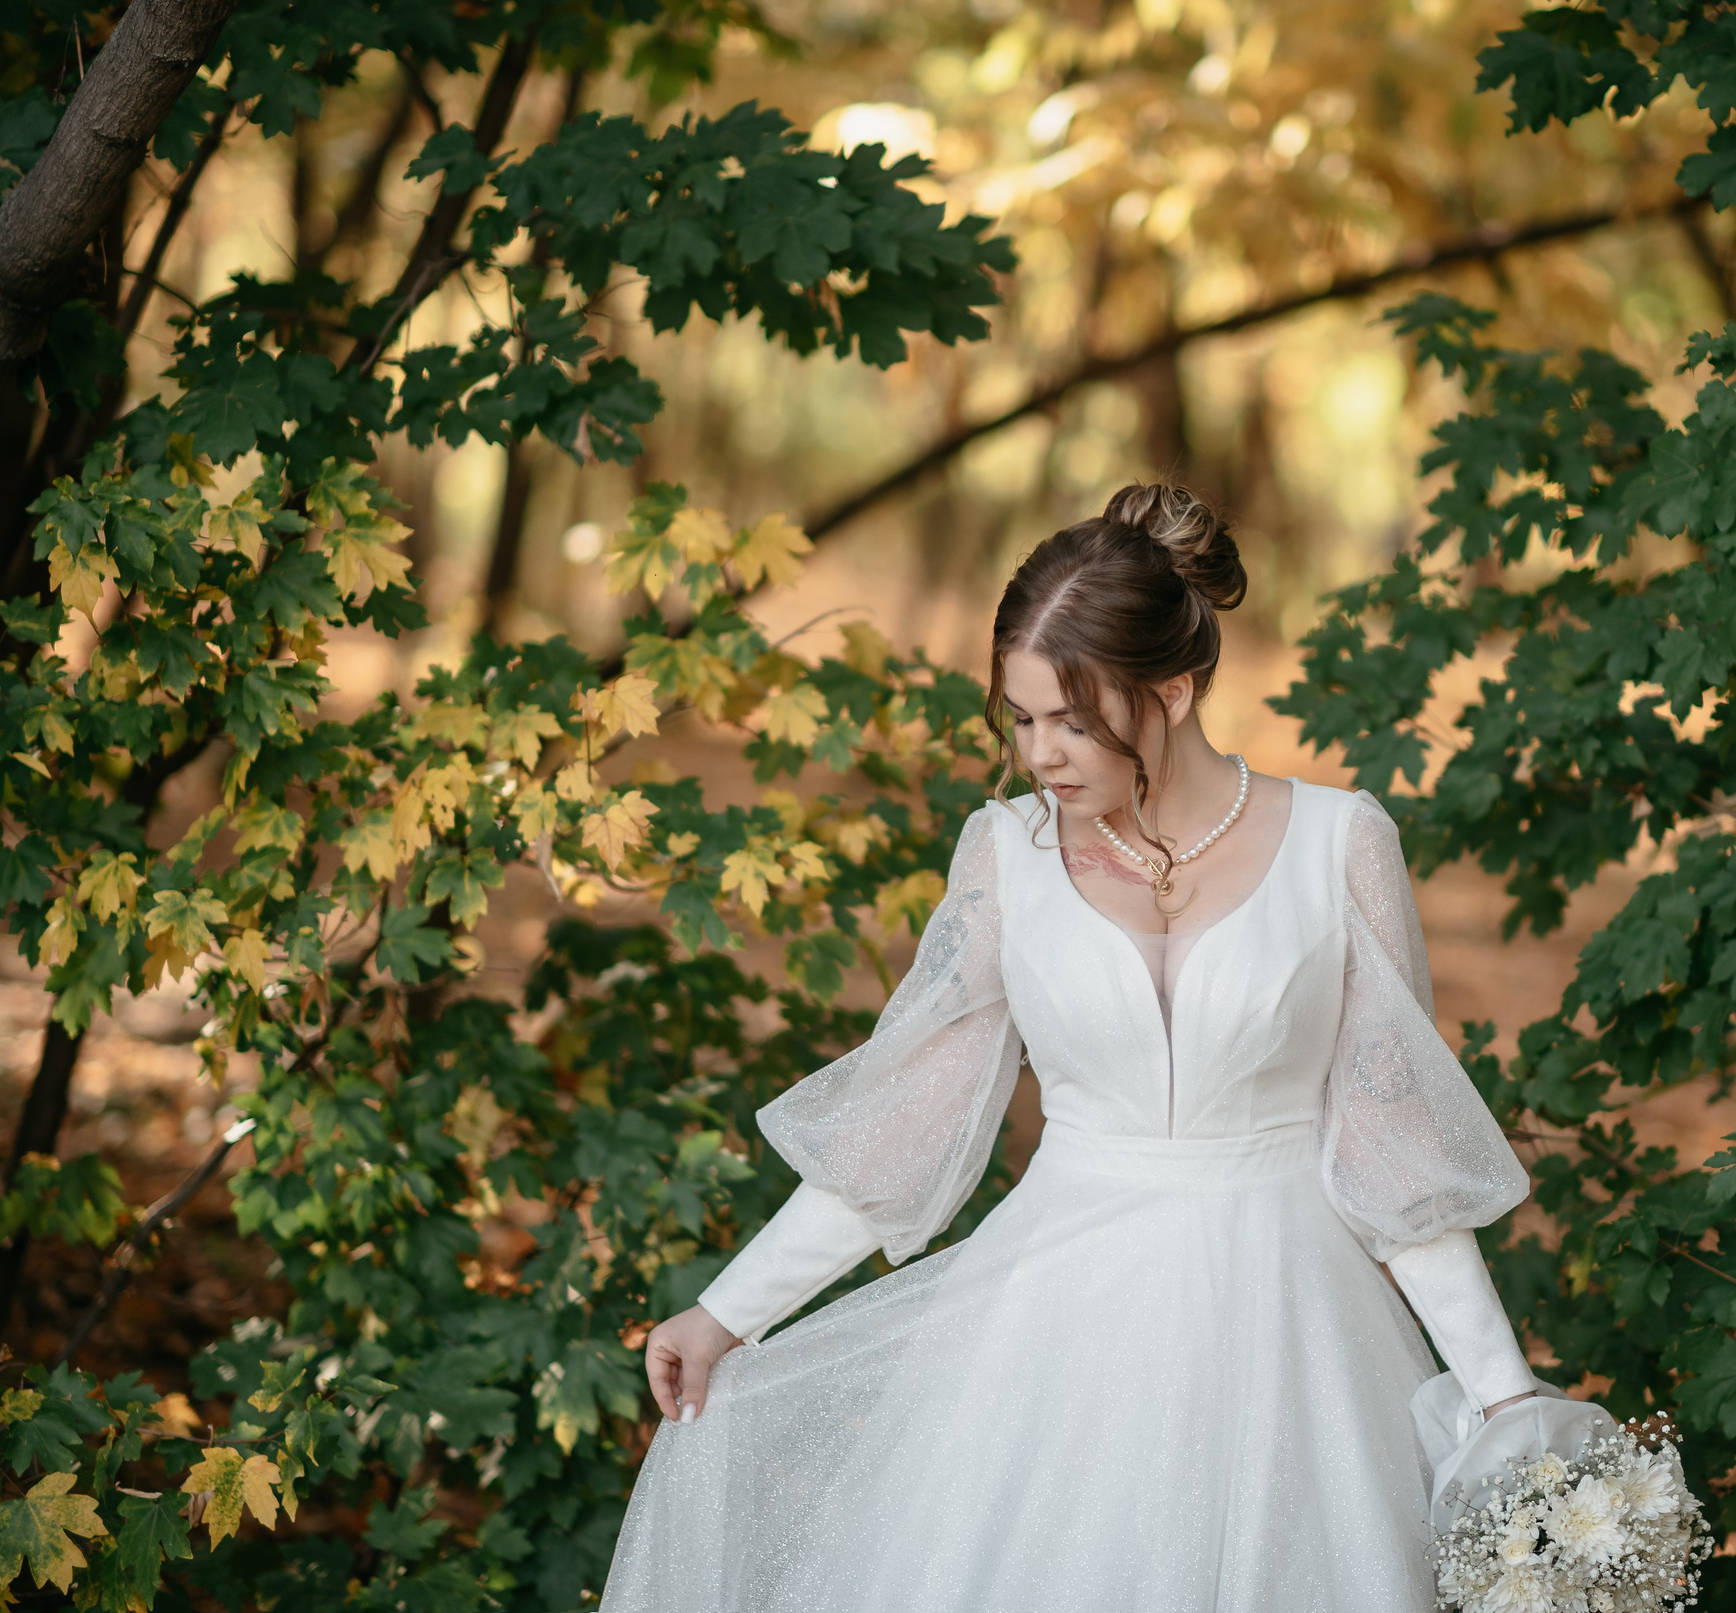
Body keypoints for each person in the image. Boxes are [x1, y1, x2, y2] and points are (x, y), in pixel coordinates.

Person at [602, 484, 1542, 1613]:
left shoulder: (1341, 844)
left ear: (1174, 690)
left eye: (1072, 720)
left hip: (1293, 1332)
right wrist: (727, 1310)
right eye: (1020, 717)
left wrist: (1503, 1397)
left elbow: (1394, 1155)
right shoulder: (1004, 853)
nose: (1039, 753)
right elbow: (903, 1128)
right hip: (1056, 1325)